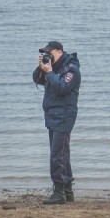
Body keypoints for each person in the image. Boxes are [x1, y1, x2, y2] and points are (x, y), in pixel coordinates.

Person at [32, 41, 81, 205]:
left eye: (49, 52)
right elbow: (36, 79)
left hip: (64, 116)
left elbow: (62, 87)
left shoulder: (71, 69)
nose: (47, 55)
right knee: (62, 155)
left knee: (56, 156)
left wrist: (50, 72)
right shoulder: (52, 67)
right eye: (45, 53)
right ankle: (67, 191)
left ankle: (59, 192)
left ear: (59, 51)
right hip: (53, 115)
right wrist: (42, 68)